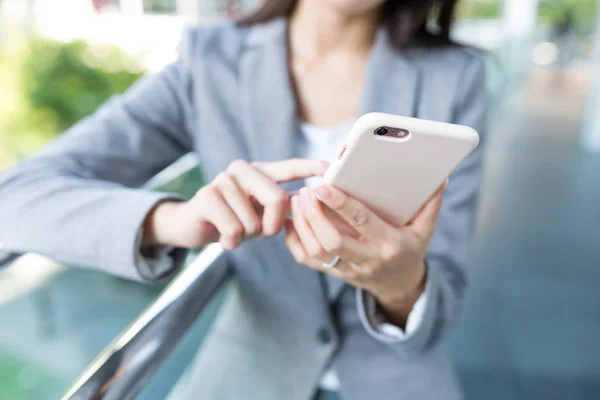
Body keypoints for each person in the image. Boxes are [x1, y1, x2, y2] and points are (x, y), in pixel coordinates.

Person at [0, 0, 486, 399]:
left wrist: (401, 286)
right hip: (249, 373)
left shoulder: (454, 77)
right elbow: (13, 198)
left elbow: (443, 305)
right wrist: (173, 220)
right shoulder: (208, 61)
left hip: (400, 382)